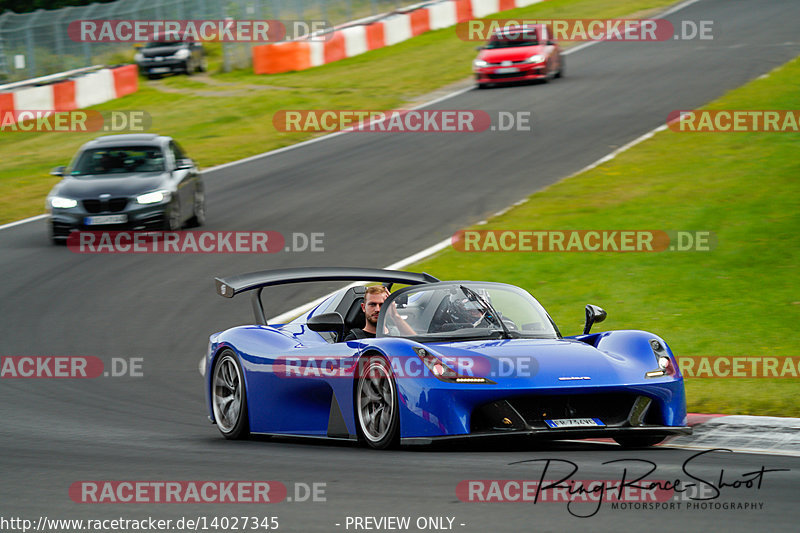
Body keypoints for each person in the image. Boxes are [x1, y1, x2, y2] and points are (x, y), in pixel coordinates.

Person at [343, 286, 414, 341]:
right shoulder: (354, 339)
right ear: (363, 307)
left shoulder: (397, 333)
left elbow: (418, 346)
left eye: (382, 305)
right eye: (372, 304)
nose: (377, 309)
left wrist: (395, 316)